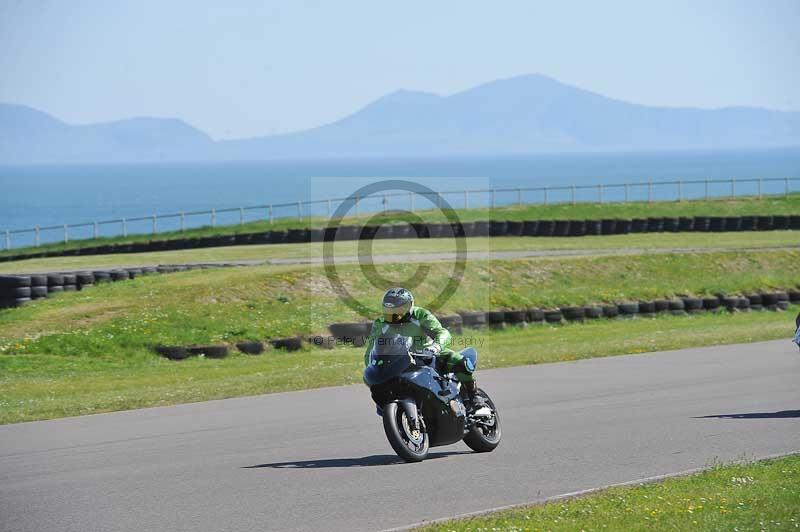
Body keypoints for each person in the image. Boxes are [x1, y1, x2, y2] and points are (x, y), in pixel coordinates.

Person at [364, 287, 487, 410]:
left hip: (428, 352)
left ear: (409, 306)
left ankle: (474, 396)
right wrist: (372, 366)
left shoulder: (420, 314)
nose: (395, 314)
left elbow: (442, 332)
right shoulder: (380, 323)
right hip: (400, 360)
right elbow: (371, 348)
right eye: (390, 310)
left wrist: (435, 347)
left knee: (459, 360)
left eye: (399, 309)